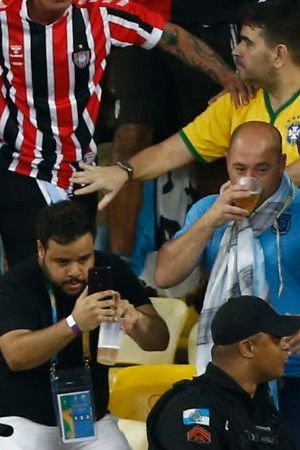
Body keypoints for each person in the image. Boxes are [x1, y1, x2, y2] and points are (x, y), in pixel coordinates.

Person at [0, 0, 250, 269]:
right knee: (29, 277)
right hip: (20, 166)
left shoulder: (101, 12)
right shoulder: (5, 15)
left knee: (76, 276)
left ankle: (124, 273)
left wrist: (229, 78)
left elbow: (171, 37)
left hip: (80, 172)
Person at [155, 121, 300, 449]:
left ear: (281, 162)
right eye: (240, 168)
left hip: (294, 369)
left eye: (262, 169)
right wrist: (210, 220)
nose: (251, 179)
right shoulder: (208, 210)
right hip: (232, 380)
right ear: (226, 162)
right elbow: (164, 275)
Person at [72, 0, 300, 206]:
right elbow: (169, 152)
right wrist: (123, 171)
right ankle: (123, 255)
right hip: (259, 235)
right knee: (195, 224)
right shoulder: (239, 102)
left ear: (279, 55)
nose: (235, 50)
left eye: (247, 44)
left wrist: (260, 193)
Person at [0, 200, 169, 449]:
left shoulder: (111, 270)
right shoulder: (17, 284)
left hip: (91, 418)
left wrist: (137, 321)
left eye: (84, 258)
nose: (76, 271)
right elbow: (16, 355)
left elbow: (159, 341)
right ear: (40, 250)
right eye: (62, 262)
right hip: (25, 419)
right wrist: (74, 324)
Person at [103, 0, 252, 264]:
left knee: (214, 146)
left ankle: (212, 270)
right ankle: (118, 267)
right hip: (141, 12)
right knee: (129, 135)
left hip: (212, 18)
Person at [146, 295, 300, 450]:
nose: (285, 346)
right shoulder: (192, 407)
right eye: (277, 338)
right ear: (247, 348)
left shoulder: (264, 407)